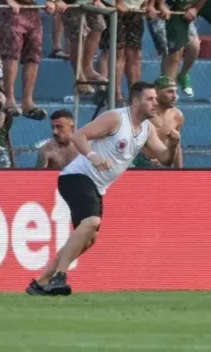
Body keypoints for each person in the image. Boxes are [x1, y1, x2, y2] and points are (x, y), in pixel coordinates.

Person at [26, 82, 176, 296]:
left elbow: (165, 158)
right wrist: (93, 156)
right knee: (91, 222)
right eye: (149, 99)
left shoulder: (146, 129)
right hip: (76, 176)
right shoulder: (116, 118)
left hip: (97, 186)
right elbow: (79, 136)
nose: (155, 103)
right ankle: (60, 276)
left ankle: (41, 282)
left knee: (89, 238)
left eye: (155, 99)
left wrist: (172, 145)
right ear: (135, 101)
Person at [132, 76, 184, 169]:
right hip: (137, 164)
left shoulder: (177, 116)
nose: (175, 96)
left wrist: (179, 170)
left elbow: (176, 143)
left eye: (176, 92)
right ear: (157, 92)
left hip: (162, 164)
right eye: (170, 91)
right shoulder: (142, 114)